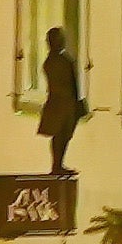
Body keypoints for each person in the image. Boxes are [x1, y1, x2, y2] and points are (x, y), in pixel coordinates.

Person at [36, 25, 85, 177]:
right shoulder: (59, 61)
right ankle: (57, 165)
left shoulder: (53, 61)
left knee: (62, 135)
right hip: (62, 102)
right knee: (61, 135)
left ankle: (58, 164)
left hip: (60, 102)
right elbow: (69, 83)